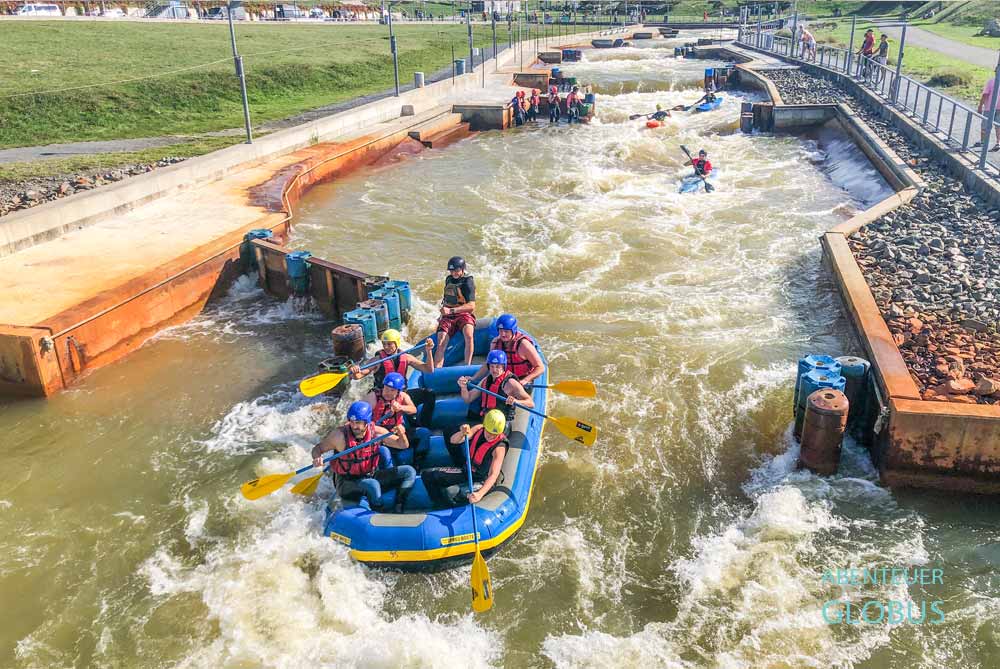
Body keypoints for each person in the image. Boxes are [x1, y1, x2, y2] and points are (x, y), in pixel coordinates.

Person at [311, 401, 415, 513]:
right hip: (347, 482)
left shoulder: (376, 433)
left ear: (367, 422)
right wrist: (317, 458)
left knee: (409, 471)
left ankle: (400, 504)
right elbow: (318, 448)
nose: (354, 426)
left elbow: (403, 445)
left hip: (370, 474)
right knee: (372, 484)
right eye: (352, 421)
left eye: (358, 422)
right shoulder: (339, 436)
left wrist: (401, 434)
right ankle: (380, 511)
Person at [421, 410, 509, 508]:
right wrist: (462, 433)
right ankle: (440, 506)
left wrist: (480, 494)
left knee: (451, 492)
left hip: (480, 479)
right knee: (427, 476)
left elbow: (493, 474)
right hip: (466, 471)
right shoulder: (478, 429)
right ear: (485, 426)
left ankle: (450, 507)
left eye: (495, 434)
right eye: (489, 432)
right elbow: (453, 441)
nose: (491, 436)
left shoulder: (499, 447)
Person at [459, 349, 534, 424]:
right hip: (487, 419)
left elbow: (531, 403)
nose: (494, 370)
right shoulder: (486, 380)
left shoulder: (511, 383)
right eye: (492, 366)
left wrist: (516, 401)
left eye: (498, 366)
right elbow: (468, 399)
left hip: (501, 422)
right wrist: (463, 387)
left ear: (503, 366)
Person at [469, 313, 544, 385]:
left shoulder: (523, 345)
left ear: (513, 331)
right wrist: (474, 378)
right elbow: (488, 364)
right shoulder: (495, 342)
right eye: (500, 331)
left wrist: (525, 380)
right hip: (504, 379)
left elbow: (540, 367)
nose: (502, 334)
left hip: (522, 380)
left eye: (506, 331)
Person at [349, 328, 434, 389]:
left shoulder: (407, 358)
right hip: (381, 393)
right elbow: (359, 375)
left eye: (389, 344)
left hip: (400, 393)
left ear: (397, 343)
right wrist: (355, 372)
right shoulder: (377, 360)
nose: (386, 347)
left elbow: (429, 369)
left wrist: (429, 351)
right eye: (384, 344)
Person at [436, 256, 476, 366]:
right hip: (449, 315)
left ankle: (467, 366)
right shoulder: (448, 280)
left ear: (463, 270)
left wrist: (452, 310)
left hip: (463, 313)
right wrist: (442, 315)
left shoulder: (468, 282)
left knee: (468, 335)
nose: (454, 273)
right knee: (441, 340)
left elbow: (472, 306)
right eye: (452, 270)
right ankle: (437, 371)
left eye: (457, 270)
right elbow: (447, 300)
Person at [975, 73, 1000, 152]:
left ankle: (983, 141)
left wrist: (980, 106)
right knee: (998, 126)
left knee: (984, 125)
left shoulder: (991, 81)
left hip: (989, 107)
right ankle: (998, 143)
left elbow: (985, 95)